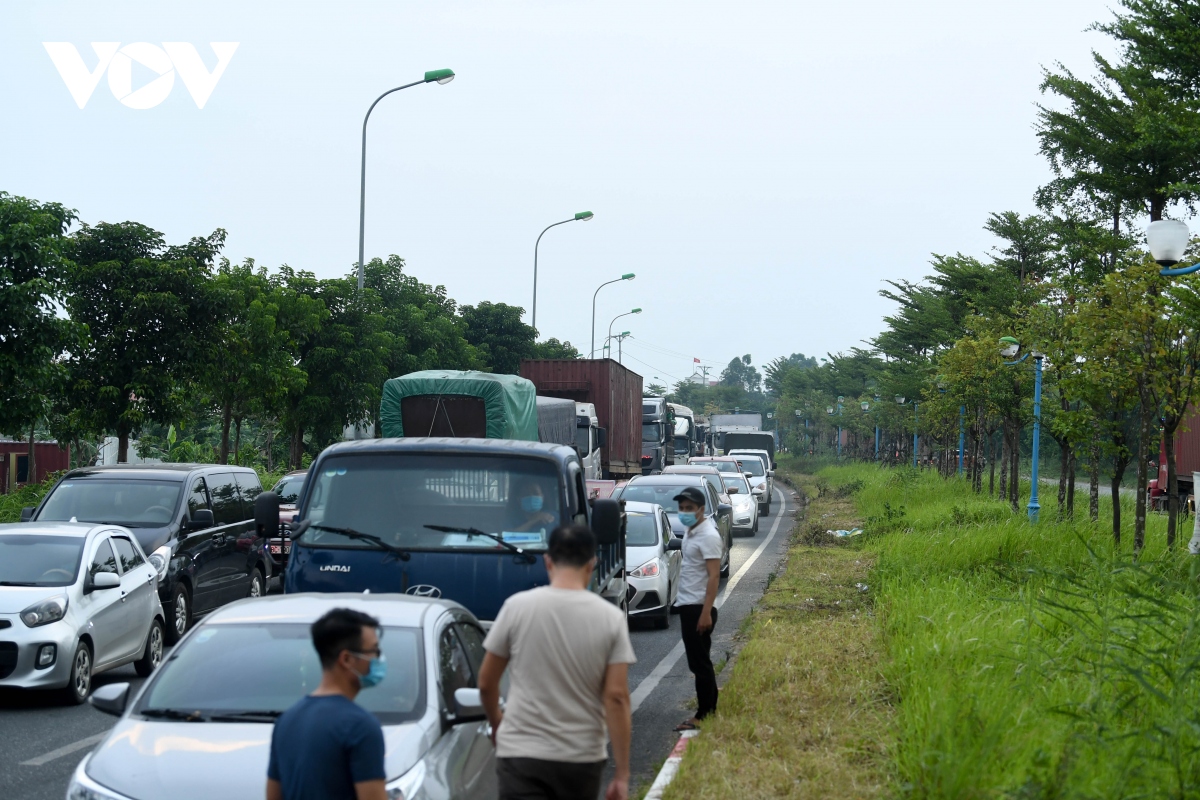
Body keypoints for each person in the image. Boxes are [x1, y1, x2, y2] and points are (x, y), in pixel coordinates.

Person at [478, 523, 635, 800]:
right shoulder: (609, 618)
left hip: (521, 754)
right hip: (580, 757)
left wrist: (497, 724)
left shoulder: (516, 607)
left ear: (547, 561)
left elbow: (487, 683)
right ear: (592, 564)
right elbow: (617, 697)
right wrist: (621, 774)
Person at [267, 608, 387, 800]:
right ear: (346, 659)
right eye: (374, 651)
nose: (379, 659)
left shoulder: (286, 721)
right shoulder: (361, 727)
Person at [671, 486, 722, 731]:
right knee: (697, 662)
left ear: (701, 510)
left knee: (700, 663)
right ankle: (708, 709)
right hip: (687, 604)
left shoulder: (709, 536)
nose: (684, 512)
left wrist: (705, 612)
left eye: (689, 508)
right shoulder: (691, 531)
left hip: (698, 607)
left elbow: (714, 577)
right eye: (681, 508)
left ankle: (705, 713)